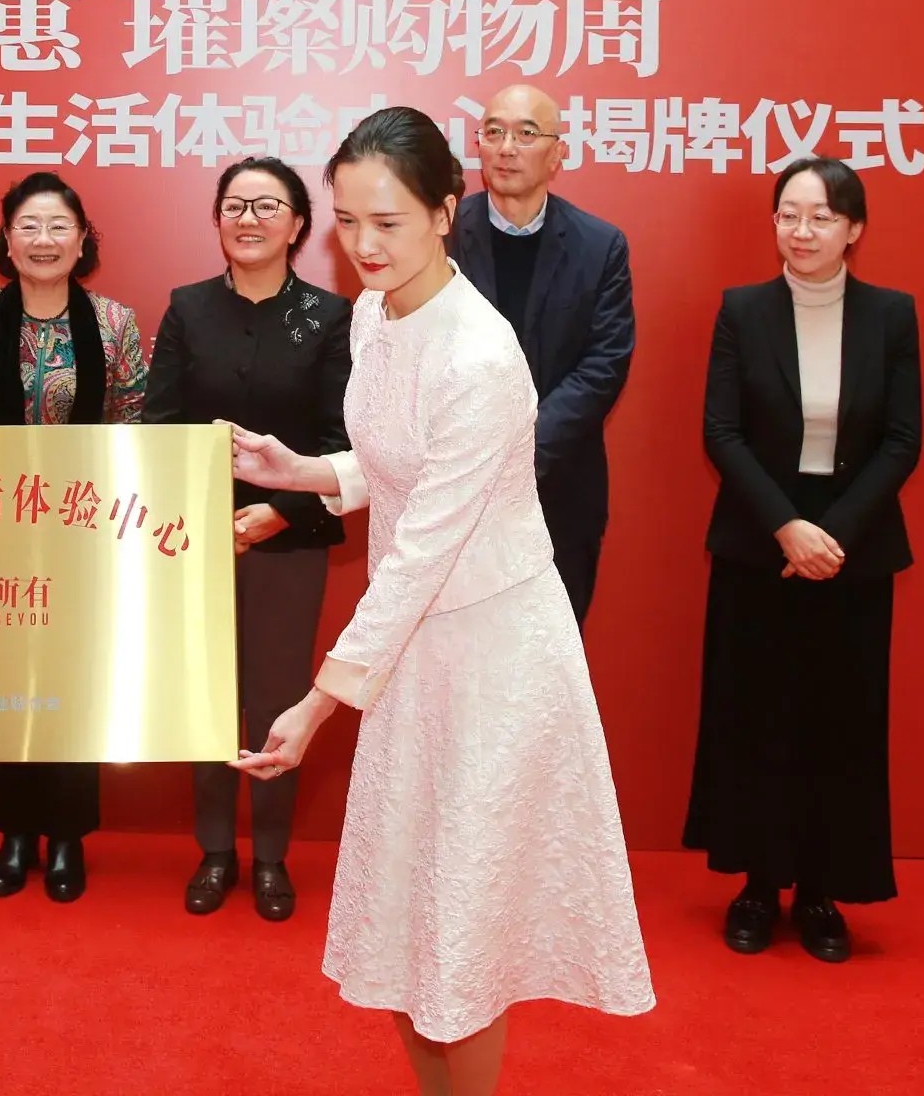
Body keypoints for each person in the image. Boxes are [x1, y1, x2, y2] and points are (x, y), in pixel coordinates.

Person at [228, 107, 652, 1094]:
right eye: (347, 222)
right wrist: (307, 471)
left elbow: (424, 547)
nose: (364, 246)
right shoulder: (377, 315)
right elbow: (403, 466)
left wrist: (317, 702)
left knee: (465, 929)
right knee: (411, 916)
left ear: (445, 212)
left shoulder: (482, 356)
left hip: (493, 655)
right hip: (413, 649)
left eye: (388, 222)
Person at [685, 157, 921, 963]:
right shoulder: (742, 311)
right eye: (789, 214)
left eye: (821, 216)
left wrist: (833, 533)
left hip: (854, 546)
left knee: (840, 723)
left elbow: (902, 440)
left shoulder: (891, 315)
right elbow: (722, 432)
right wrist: (788, 528)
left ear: (854, 228)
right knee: (755, 717)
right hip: (760, 539)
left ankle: (821, 891)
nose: (802, 230)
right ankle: (758, 885)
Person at [0, 169, 148, 903]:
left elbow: (136, 426)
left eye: (59, 227)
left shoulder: (114, 323)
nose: (44, 239)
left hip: (84, 535)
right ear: (8, 240)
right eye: (29, 226)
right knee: (4, 685)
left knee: (72, 684)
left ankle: (68, 836)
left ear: (82, 241)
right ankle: (15, 832)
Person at [146, 156, 351, 923]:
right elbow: (160, 426)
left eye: (268, 206)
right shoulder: (188, 308)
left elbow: (341, 441)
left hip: (288, 539)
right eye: (235, 205)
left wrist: (278, 512)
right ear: (217, 220)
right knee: (204, 696)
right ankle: (214, 851)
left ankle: (269, 855)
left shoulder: (330, 318)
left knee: (274, 699)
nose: (249, 219)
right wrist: (204, 519)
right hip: (196, 540)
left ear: (298, 225)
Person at [450, 83, 633, 623]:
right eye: (494, 132)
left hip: (560, 491)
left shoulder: (600, 245)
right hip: (453, 490)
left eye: (526, 134)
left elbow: (604, 363)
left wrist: (526, 446)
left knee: (550, 658)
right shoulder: (440, 236)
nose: (507, 147)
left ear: (558, 154)